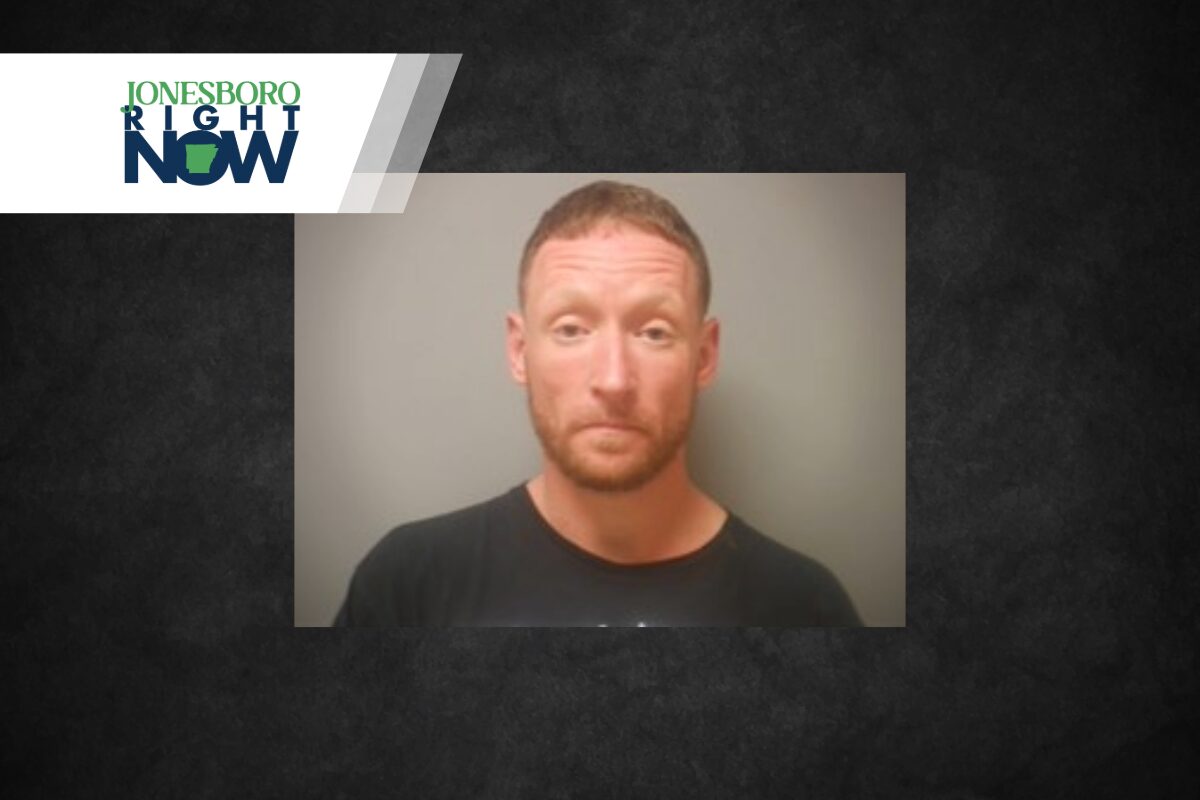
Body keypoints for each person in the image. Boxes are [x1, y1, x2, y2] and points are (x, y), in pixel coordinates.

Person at [334, 180, 862, 626]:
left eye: (654, 332)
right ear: (520, 352)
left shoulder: (806, 607)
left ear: (704, 357)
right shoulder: (407, 585)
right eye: (571, 329)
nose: (613, 379)